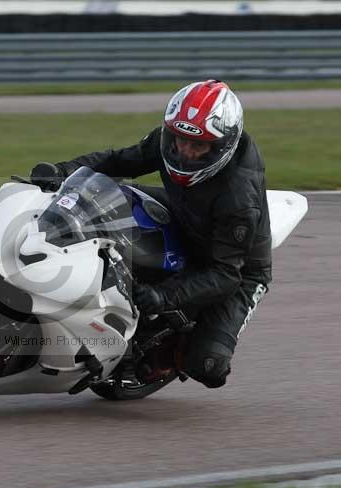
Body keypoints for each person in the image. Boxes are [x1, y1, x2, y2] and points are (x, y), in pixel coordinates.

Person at [29, 80, 271, 388]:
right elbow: (117, 161)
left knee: (208, 366)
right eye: (180, 140)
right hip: (185, 212)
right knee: (100, 201)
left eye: (198, 146)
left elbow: (225, 274)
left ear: (222, 147)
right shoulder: (168, 143)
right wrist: (63, 171)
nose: (185, 152)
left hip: (234, 265)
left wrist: (164, 295)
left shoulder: (239, 198)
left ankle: (167, 354)